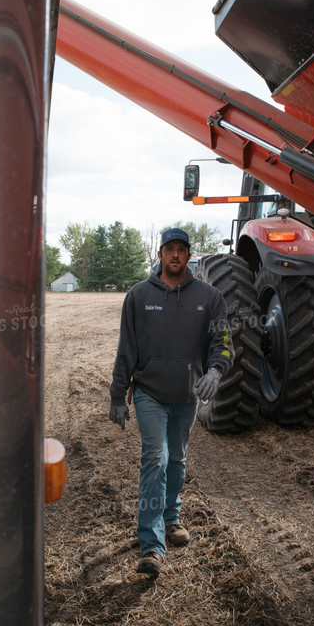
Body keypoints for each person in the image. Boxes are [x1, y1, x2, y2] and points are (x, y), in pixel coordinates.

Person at [109, 227, 234, 576]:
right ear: (160, 254)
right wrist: (118, 394)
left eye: (182, 249)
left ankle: (171, 516)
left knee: (176, 458)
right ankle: (151, 544)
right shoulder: (138, 296)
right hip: (149, 391)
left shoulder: (209, 297)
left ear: (189, 255)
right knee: (156, 458)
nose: (175, 255)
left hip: (188, 395)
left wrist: (215, 372)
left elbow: (222, 342)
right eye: (169, 249)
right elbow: (126, 350)